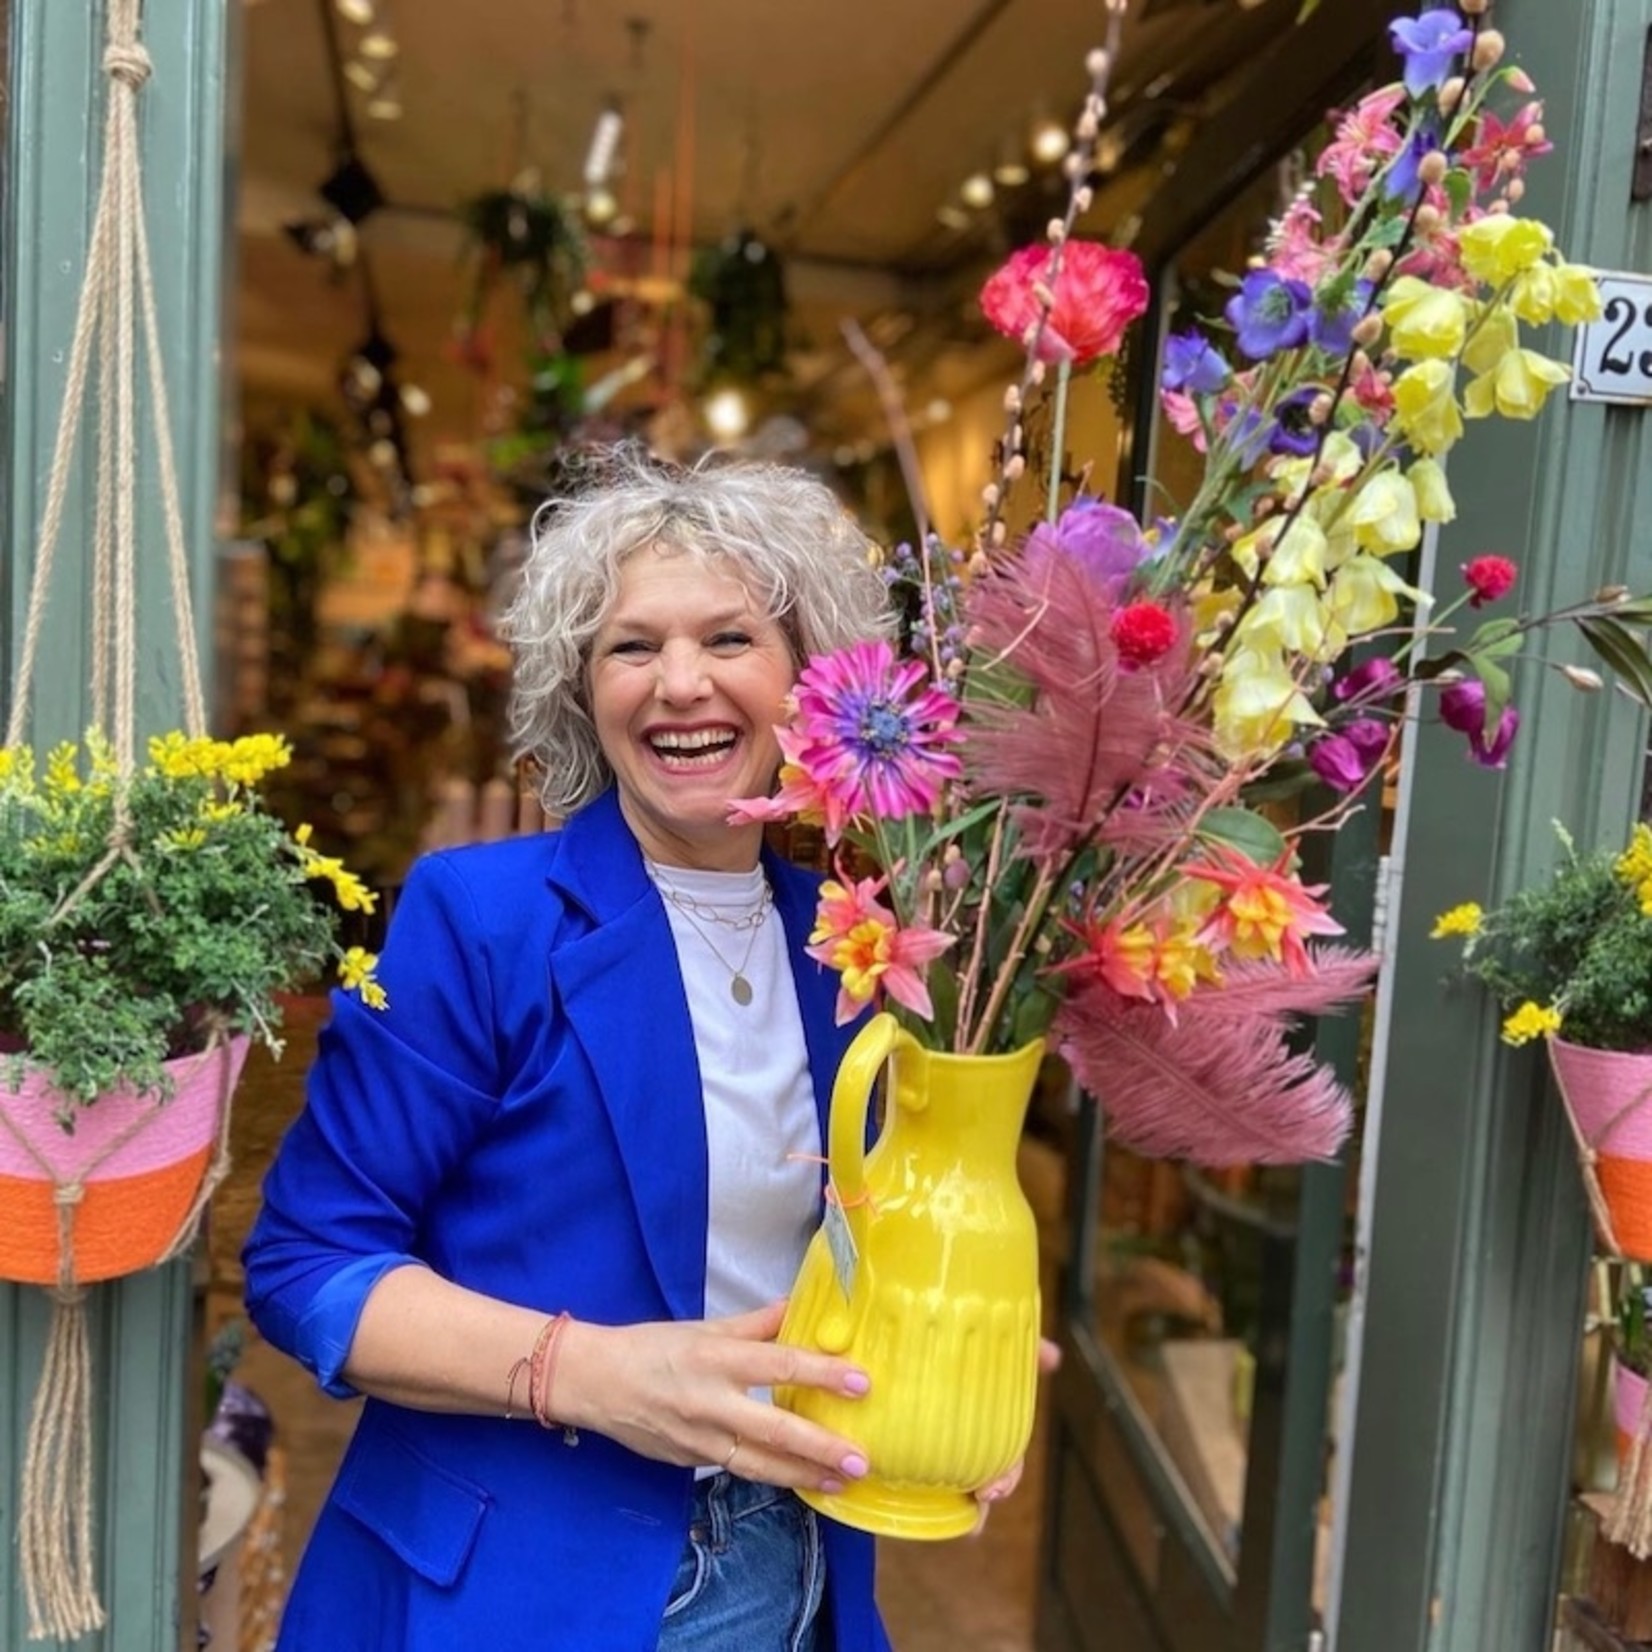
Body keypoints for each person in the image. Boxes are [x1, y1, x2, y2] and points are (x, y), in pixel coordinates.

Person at [245, 448, 999, 1651]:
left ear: (809, 678)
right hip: (513, 1591)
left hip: (797, 1566)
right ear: (581, 691)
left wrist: (953, 1372)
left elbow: (853, 1255)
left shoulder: (862, 943)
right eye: (631, 646)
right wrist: (586, 1373)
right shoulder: (480, 919)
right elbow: (306, 1265)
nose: (679, 683)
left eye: (730, 639)